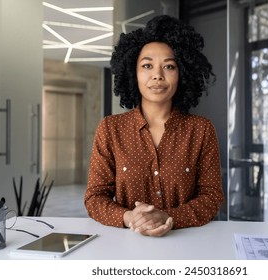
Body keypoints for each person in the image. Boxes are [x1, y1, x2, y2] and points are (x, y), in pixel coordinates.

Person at [84, 15, 224, 237]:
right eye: (147, 65)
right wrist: (130, 218)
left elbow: (211, 197)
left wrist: (169, 218)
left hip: (188, 245)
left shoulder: (201, 130)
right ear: (133, 72)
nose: (157, 75)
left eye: (169, 66)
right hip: (125, 246)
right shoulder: (110, 129)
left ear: (182, 74)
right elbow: (95, 198)